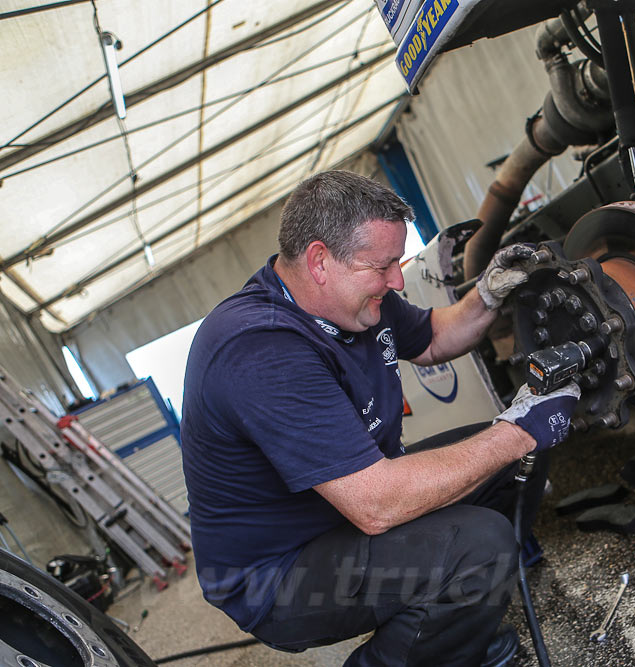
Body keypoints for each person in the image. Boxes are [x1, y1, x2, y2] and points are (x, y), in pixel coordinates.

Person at [180, 170, 580, 666]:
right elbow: (377, 505)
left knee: (502, 465)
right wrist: (520, 430)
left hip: (348, 506)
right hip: (280, 575)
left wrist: (488, 296)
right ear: (320, 261)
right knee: (480, 545)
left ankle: (452, 630)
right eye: (383, 266)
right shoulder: (259, 350)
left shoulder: (358, 298)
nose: (396, 280)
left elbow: (433, 338)